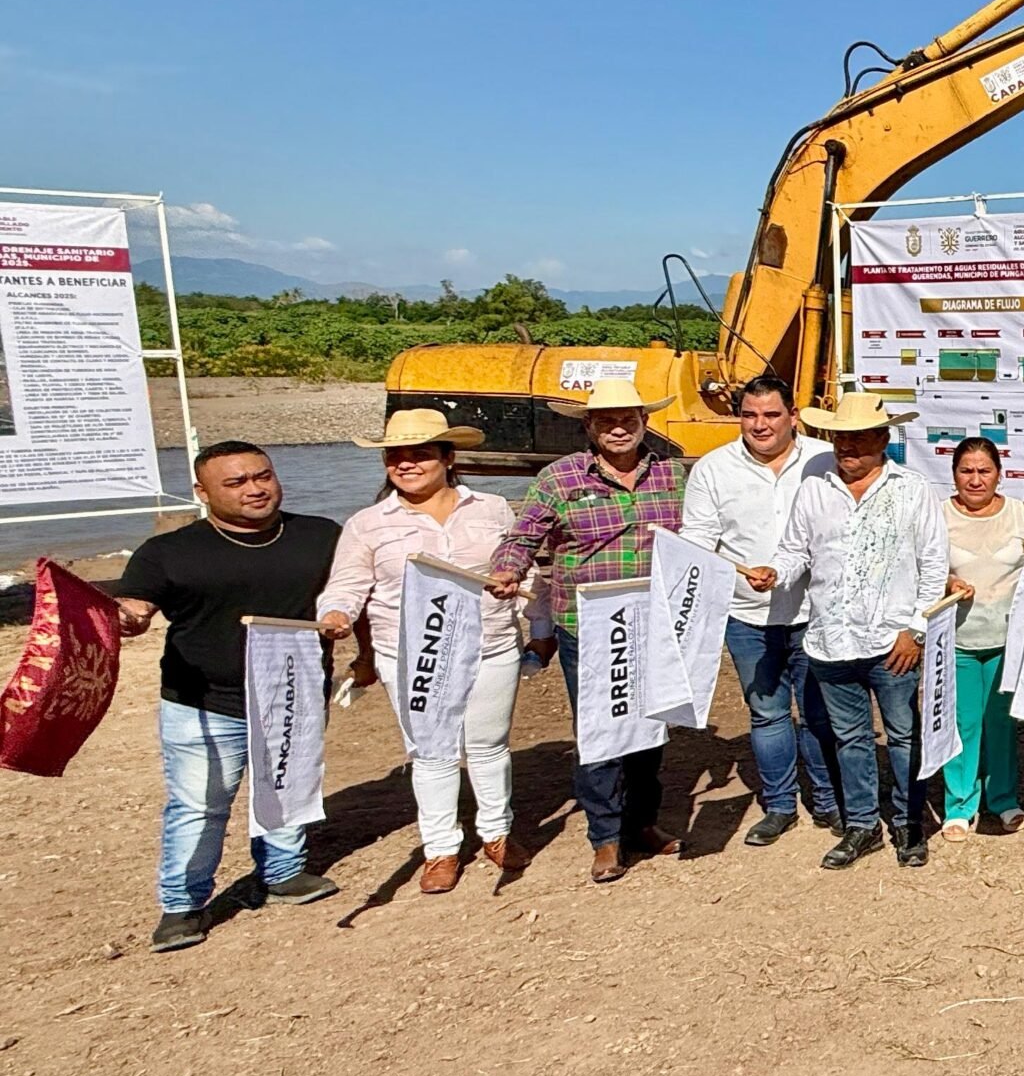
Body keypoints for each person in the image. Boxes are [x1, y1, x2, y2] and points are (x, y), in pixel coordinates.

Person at [117, 442, 343, 951]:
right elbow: (134, 609)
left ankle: (283, 872)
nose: (255, 489)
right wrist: (125, 619)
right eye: (236, 482)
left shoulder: (321, 535)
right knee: (199, 805)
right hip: (201, 701)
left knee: (287, 785)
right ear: (202, 492)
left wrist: (363, 652)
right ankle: (182, 905)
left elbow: (350, 596)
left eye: (263, 476)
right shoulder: (167, 551)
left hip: (293, 691)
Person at [317, 411, 528, 894]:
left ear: (448, 459)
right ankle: (441, 848)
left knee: (488, 744)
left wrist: (525, 604)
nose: (406, 464)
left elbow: (520, 565)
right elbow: (347, 584)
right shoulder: (368, 523)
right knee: (432, 752)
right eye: (396, 456)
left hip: (490, 643)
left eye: (421, 454)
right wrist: (337, 613)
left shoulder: (493, 509)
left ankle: (496, 832)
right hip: (412, 653)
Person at [488, 379, 690, 885]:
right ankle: (605, 836)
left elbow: (700, 536)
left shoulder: (672, 474)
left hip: (653, 623)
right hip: (588, 627)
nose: (618, 429)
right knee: (600, 733)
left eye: (627, 420)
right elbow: (522, 535)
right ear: (589, 427)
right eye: (606, 421)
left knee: (650, 728)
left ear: (645, 422)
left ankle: (641, 822)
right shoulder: (558, 478)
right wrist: (509, 568)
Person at [746, 395, 949, 869]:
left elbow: (934, 563)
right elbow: (795, 551)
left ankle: (908, 823)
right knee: (851, 739)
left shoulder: (912, 489)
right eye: (841, 438)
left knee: (903, 736)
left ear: (882, 440)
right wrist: (775, 572)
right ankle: (862, 825)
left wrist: (916, 629)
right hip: (830, 641)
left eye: (858, 439)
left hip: (892, 642)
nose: (847, 448)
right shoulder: (814, 490)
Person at [678, 374, 839, 848]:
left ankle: (828, 800)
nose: (760, 425)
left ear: (793, 416)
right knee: (767, 714)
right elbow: (698, 539)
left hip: (815, 610)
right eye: (749, 415)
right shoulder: (712, 469)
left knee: (819, 713)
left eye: (771, 414)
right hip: (747, 614)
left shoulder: (824, 460)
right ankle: (781, 805)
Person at [941, 436, 1024, 836]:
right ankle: (959, 805)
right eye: (966, 471)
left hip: (1007, 642)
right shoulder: (939, 515)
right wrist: (947, 582)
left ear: (999, 474)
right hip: (958, 641)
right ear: (954, 475)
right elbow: (922, 569)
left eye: (984, 471)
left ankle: (1003, 799)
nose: (975, 479)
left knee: (1000, 723)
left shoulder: (1019, 514)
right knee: (962, 724)